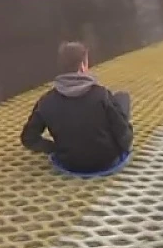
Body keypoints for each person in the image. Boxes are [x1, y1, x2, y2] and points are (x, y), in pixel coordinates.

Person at [20, 41, 133, 174]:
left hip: (69, 162)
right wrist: (124, 146)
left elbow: (28, 138)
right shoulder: (101, 94)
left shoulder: (46, 101)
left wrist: (55, 148)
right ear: (82, 66)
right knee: (122, 98)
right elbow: (123, 135)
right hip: (107, 160)